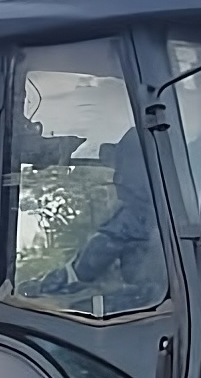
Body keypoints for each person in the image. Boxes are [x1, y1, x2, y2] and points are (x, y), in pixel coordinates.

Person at [21, 130, 166, 312]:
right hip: (167, 300)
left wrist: (43, 287)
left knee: (76, 312)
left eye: (121, 168)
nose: (116, 179)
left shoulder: (134, 216)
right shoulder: (170, 207)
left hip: (149, 300)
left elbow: (90, 264)